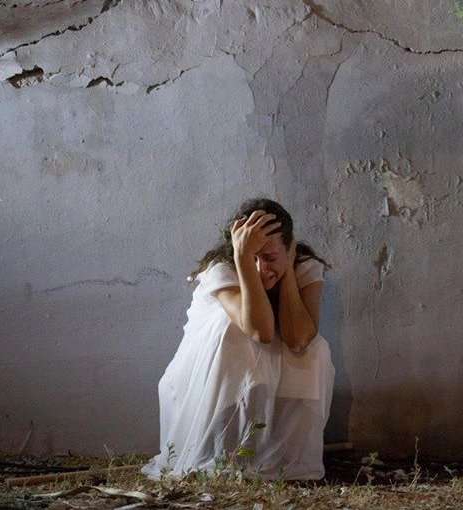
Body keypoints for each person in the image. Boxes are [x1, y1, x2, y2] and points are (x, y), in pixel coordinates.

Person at [142, 198, 335, 480]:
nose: (260, 269)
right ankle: (221, 454)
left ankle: (281, 457)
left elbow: (298, 339)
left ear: (290, 248)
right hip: (211, 374)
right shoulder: (221, 269)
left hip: (267, 373)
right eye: (252, 257)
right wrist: (242, 259)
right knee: (232, 328)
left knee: (315, 348)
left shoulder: (303, 266)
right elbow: (260, 331)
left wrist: (288, 273)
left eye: (270, 257)